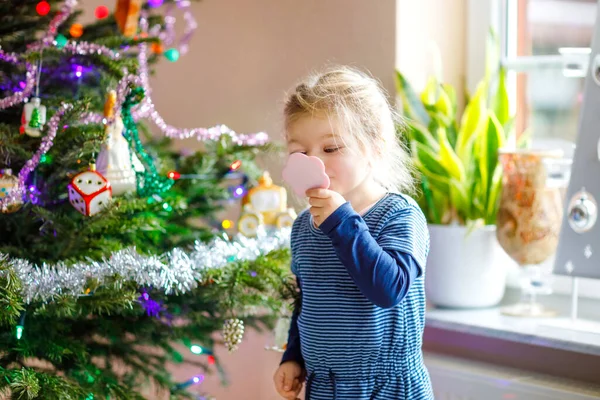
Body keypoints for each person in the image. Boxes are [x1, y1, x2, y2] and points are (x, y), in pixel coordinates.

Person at [272, 66, 434, 400]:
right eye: (299, 153)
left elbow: (388, 290)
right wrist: (294, 358)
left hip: (387, 388)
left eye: (331, 149)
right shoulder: (304, 227)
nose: (314, 162)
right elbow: (307, 302)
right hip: (326, 387)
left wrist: (342, 222)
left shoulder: (399, 215)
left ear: (376, 146)